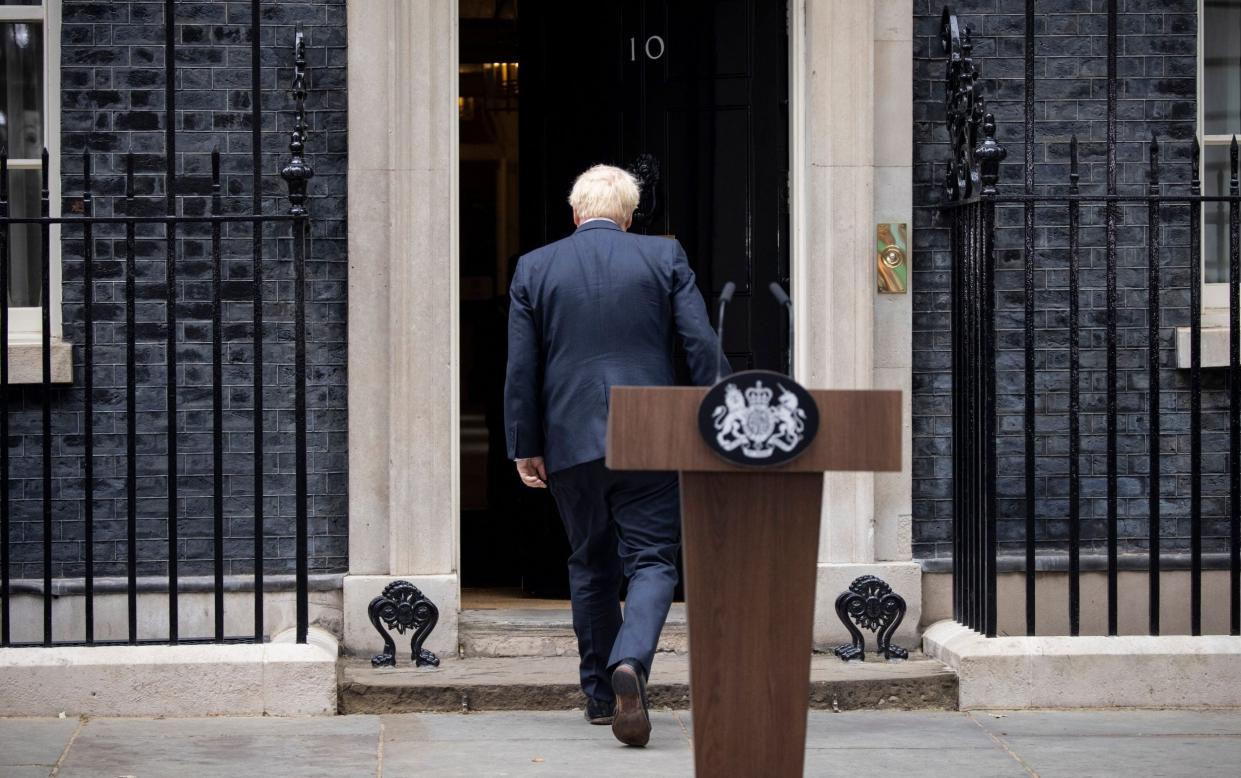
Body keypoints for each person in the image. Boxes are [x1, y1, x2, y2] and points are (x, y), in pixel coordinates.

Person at [504, 164, 725, 747]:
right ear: (629, 218)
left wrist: (525, 444)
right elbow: (700, 343)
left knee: (590, 563)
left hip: (570, 435)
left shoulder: (535, 267)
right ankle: (633, 660)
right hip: (649, 427)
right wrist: (718, 414)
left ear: (576, 214)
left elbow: (522, 367)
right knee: (652, 560)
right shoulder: (664, 257)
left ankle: (602, 697)